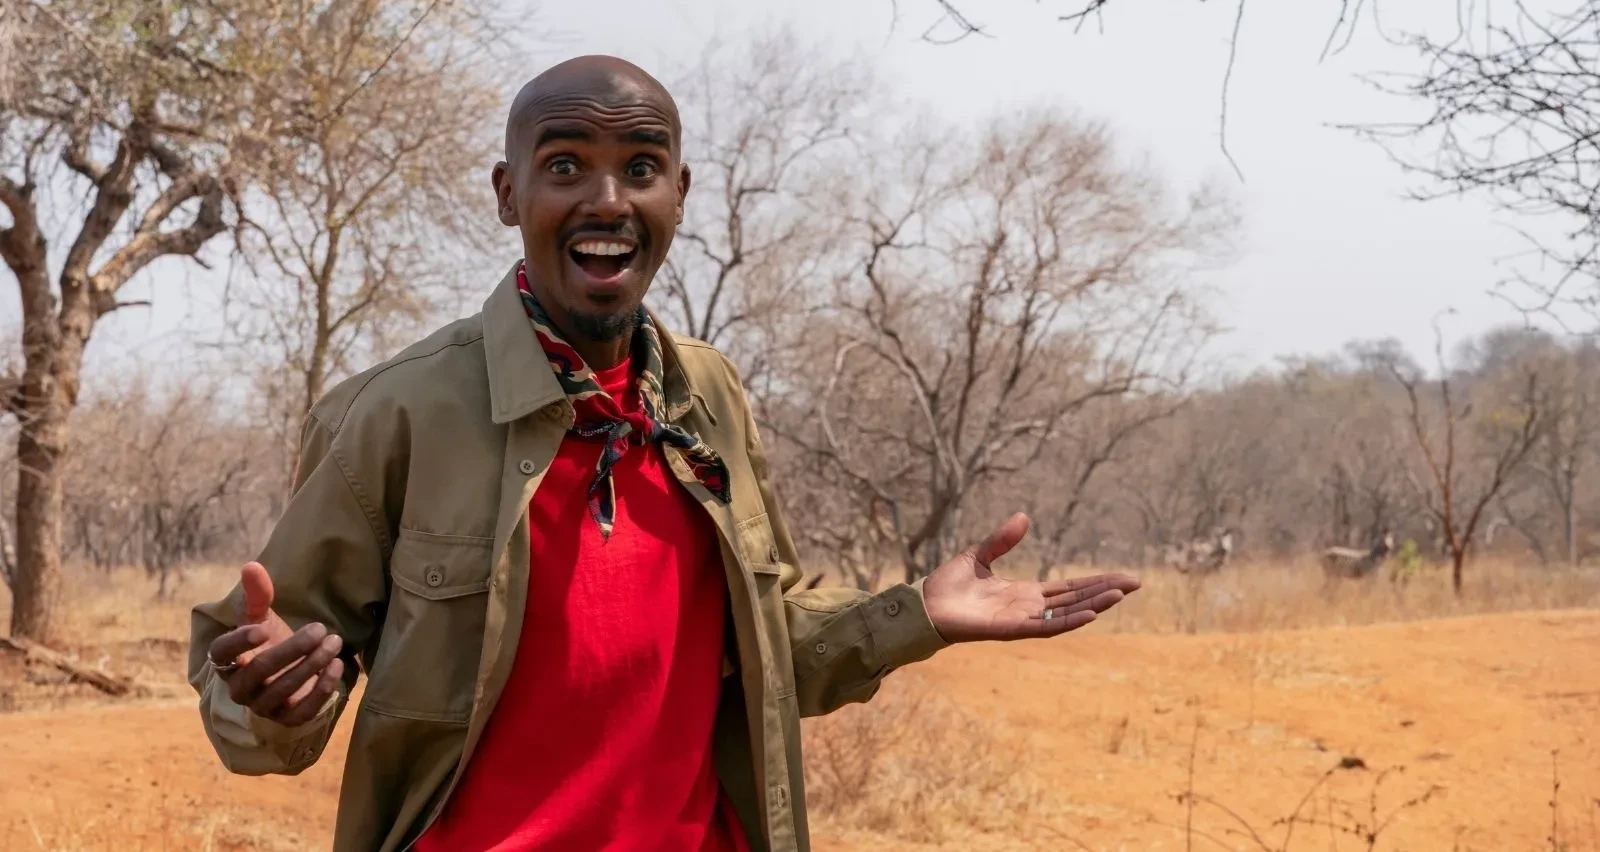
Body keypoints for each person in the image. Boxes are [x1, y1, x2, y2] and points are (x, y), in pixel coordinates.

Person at [187, 54, 1141, 852]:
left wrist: (916, 616)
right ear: (507, 191)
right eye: (565, 166)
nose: (608, 199)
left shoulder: (710, 397)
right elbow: (257, 698)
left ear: (678, 193)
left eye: (641, 166)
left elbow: (765, 655)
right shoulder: (396, 412)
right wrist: (274, 696)